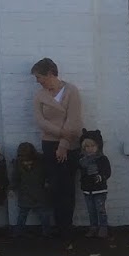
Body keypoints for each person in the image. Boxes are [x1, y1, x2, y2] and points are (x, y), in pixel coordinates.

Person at [31, 58, 83, 237]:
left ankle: (66, 226)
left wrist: (64, 143)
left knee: (67, 186)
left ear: (50, 74)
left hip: (70, 145)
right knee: (54, 185)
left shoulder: (71, 91)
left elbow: (74, 119)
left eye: (39, 77)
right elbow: (40, 120)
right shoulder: (40, 95)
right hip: (49, 143)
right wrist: (61, 133)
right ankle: (57, 224)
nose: (38, 81)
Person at [9, 141, 53, 236]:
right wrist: (12, 188)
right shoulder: (17, 164)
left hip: (40, 193)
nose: (26, 162)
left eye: (28, 159)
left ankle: (47, 232)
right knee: (22, 214)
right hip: (25, 192)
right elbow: (15, 177)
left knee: (44, 214)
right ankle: (18, 232)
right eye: (24, 160)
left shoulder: (41, 161)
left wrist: (48, 182)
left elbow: (48, 173)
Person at [77, 129, 112, 239]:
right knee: (91, 210)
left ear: (98, 146)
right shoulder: (82, 161)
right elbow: (81, 173)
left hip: (99, 189)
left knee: (100, 209)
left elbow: (107, 172)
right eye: (87, 146)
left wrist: (101, 177)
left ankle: (103, 227)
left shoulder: (102, 159)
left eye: (93, 146)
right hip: (87, 190)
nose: (90, 149)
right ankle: (93, 227)